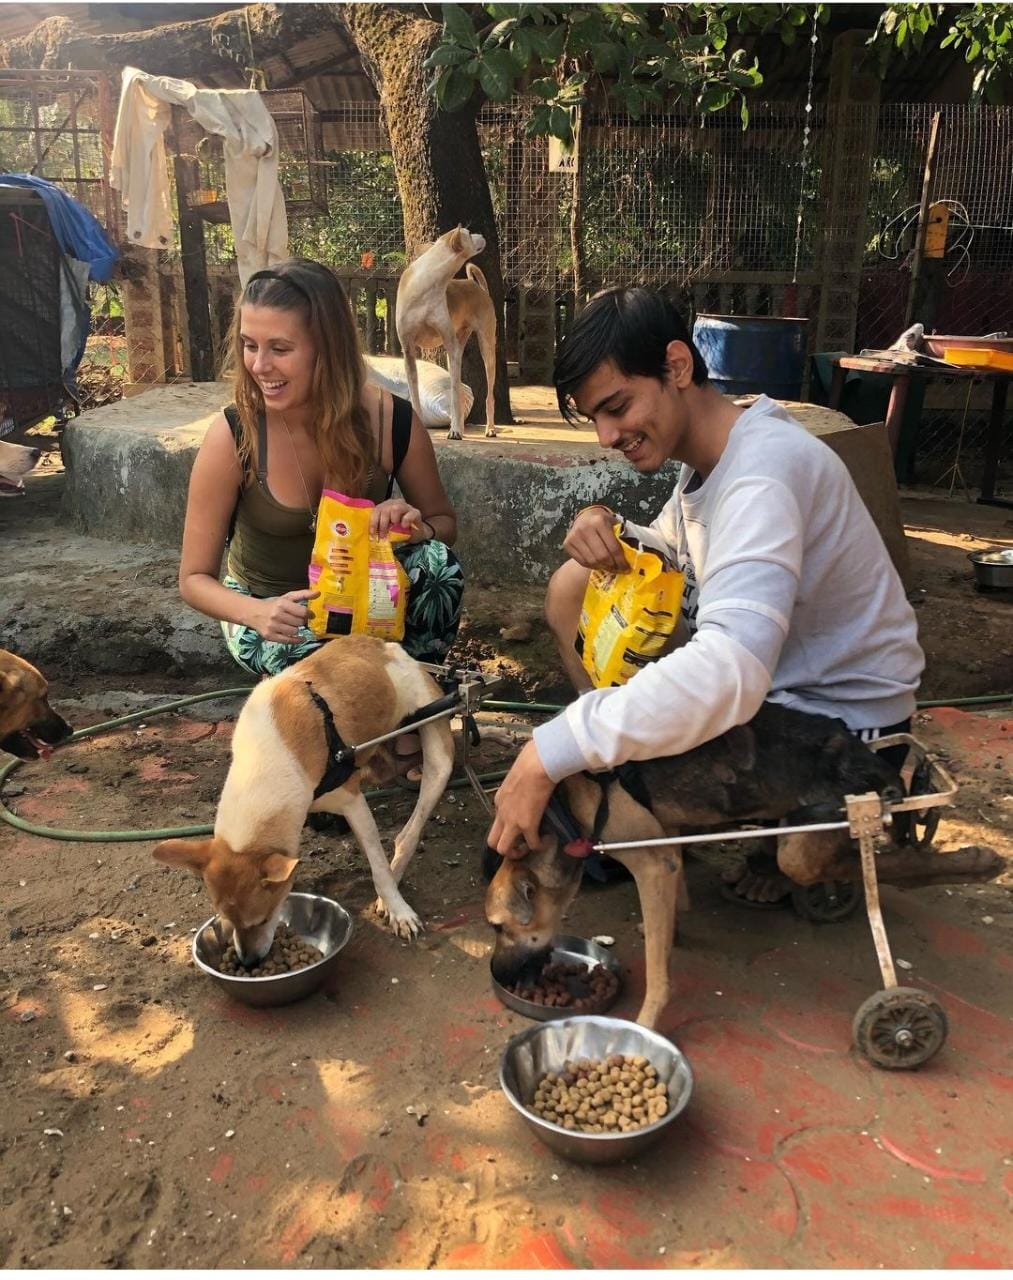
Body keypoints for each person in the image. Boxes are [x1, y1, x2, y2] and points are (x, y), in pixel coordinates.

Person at [487, 286, 924, 904]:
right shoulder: (714, 461)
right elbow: (678, 559)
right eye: (596, 419)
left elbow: (731, 669)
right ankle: (620, 785)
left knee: (643, 723)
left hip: (840, 722)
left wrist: (549, 749)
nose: (608, 436)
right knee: (574, 585)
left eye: (617, 406)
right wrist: (607, 525)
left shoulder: (762, 474)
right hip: (778, 688)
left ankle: (680, 820)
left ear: (678, 366)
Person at [179, 257, 463, 779]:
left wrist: (412, 522)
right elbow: (193, 580)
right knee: (319, 669)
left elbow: (444, 525)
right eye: (249, 344)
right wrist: (256, 613)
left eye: (280, 349)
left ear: (327, 350)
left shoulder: (391, 421)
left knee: (437, 566)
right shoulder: (234, 436)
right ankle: (344, 755)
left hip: (363, 597)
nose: (259, 365)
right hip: (277, 612)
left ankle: (409, 712)